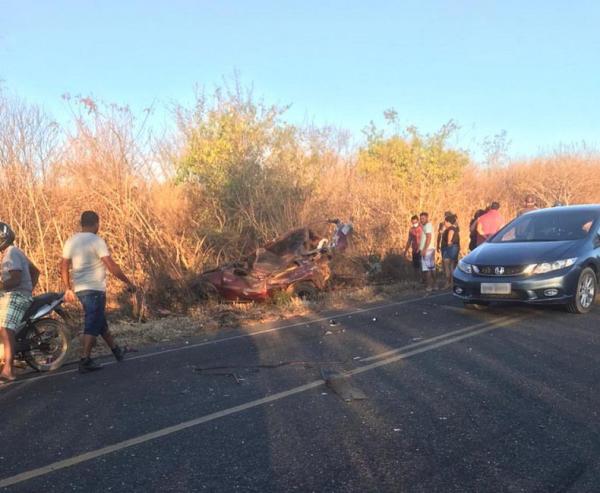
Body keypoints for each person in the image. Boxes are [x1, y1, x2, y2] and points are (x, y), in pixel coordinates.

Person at [61, 211, 136, 373]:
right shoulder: (97, 241)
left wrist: (68, 288)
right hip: (95, 288)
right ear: (96, 223)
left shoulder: (71, 241)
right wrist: (128, 282)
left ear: (82, 223)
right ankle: (85, 359)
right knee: (92, 323)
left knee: (99, 321)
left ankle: (116, 351)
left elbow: (64, 266)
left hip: (80, 289)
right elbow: (111, 265)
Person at [0, 223, 39, 383]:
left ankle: (8, 369)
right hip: (15, 294)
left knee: (5, 327)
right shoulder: (14, 252)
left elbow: (15, 279)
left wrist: (24, 290)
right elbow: (36, 271)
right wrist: (30, 289)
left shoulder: (11, 253)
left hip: (16, 295)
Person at [440, 214, 460, 289]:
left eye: (445, 222)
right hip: (454, 247)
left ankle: (448, 282)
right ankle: (452, 283)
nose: (444, 223)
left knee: (448, 266)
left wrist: (448, 243)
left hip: (450, 248)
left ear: (448, 222)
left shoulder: (451, 229)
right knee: (452, 266)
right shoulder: (455, 228)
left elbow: (449, 240)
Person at [418, 212, 435, 292]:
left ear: (427, 218)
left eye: (423, 218)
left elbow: (429, 237)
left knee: (427, 269)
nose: (421, 220)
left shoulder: (427, 226)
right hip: (430, 249)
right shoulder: (426, 226)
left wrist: (424, 249)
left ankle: (429, 286)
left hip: (428, 250)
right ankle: (434, 285)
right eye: (420, 218)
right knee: (431, 268)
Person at [403, 215, 422, 280]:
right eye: (413, 223)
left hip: (421, 249)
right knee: (415, 266)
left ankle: (424, 279)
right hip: (414, 249)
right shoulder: (411, 230)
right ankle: (417, 280)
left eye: (415, 222)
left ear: (418, 221)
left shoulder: (422, 228)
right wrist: (406, 250)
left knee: (422, 265)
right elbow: (409, 240)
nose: (414, 224)